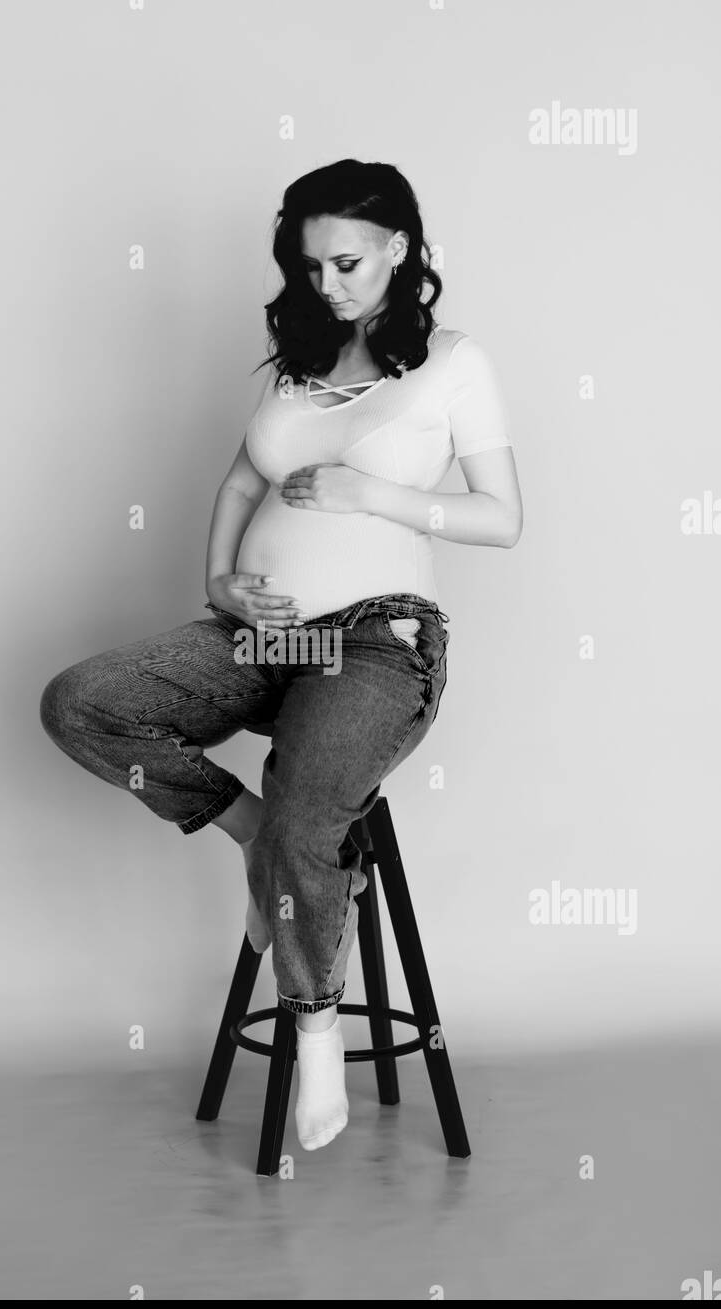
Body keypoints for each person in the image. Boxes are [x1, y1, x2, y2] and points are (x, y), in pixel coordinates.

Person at [39, 158, 523, 1155]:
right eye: (310, 269)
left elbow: (502, 517)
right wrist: (218, 581)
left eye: (346, 263)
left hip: (377, 643)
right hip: (263, 638)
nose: (328, 285)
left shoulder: (453, 361)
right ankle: (254, 836)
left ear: (398, 247)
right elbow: (233, 485)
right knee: (83, 701)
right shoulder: (298, 362)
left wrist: (375, 496)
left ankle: (312, 1026)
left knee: (315, 815)